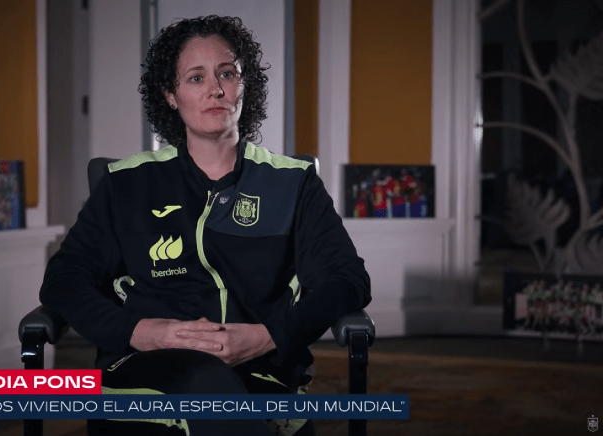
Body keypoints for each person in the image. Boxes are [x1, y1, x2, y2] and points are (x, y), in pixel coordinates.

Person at [39, 15, 371, 436]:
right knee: (211, 391)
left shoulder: (292, 182)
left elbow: (346, 279)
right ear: (171, 95)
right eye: (195, 78)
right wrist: (144, 332)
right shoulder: (126, 183)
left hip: (262, 374)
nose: (215, 89)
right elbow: (64, 280)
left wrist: (267, 336)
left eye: (227, 74)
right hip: (143, 374)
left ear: (244, 86)